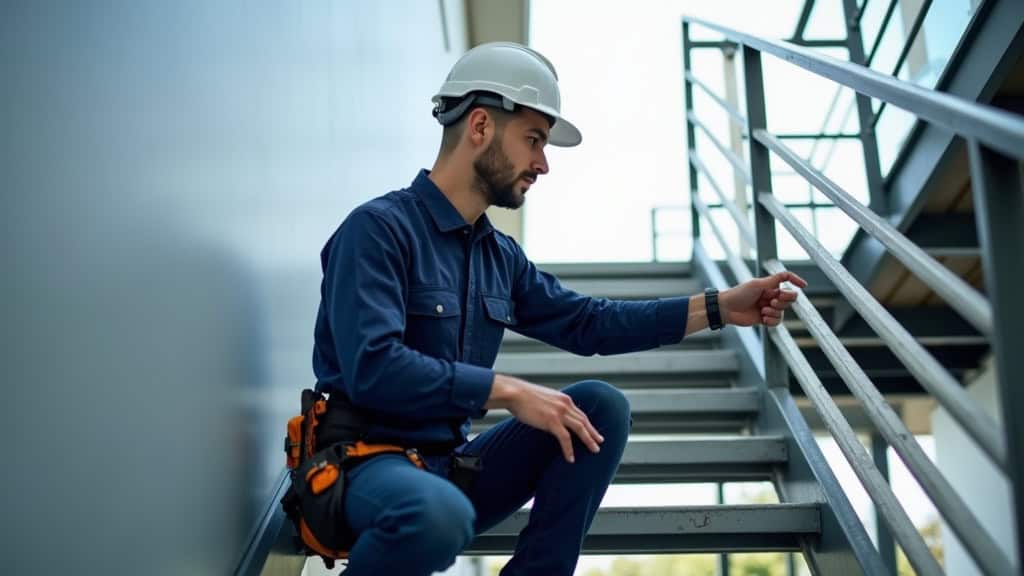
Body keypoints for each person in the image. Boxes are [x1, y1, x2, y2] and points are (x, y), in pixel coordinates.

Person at [311, 41, 806, 576]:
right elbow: (373, 367)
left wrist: (718, 306)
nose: (543, 164)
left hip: (448, 467)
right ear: (479, 126)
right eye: (534, 140)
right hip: (363, 466)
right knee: (436, 513)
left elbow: (589, 321)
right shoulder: (379, 230)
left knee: (598, 407)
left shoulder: (499, 256)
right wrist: (508, 390)